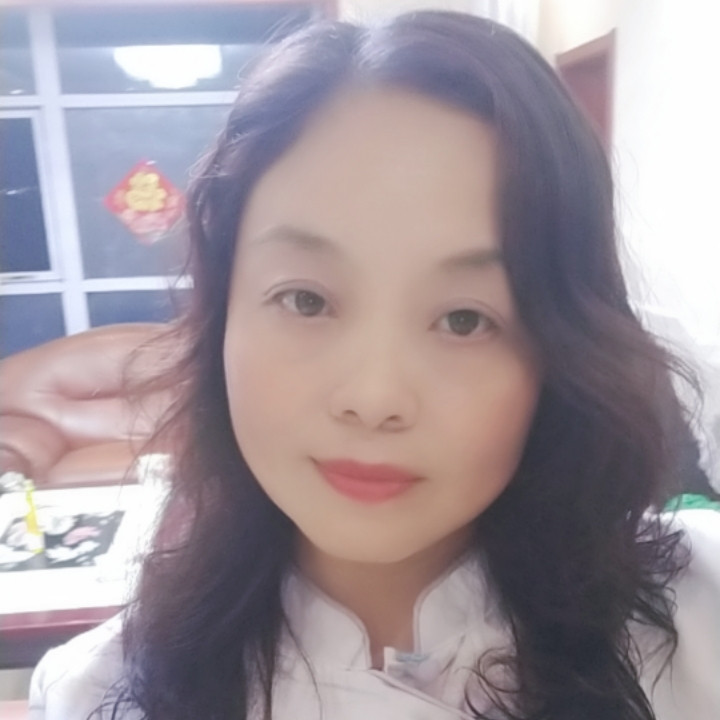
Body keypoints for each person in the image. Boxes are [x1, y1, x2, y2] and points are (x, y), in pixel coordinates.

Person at [28, 11, 720, 720]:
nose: (374, 396)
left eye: (464, 319)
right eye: (305, 300)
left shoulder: (701, 623)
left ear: (558, 350)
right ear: (223, 316)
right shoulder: (100, 695)